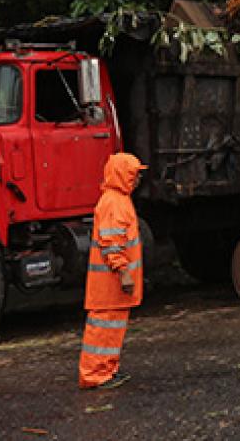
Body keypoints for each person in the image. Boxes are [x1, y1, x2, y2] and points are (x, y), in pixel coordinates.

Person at [79, 152, 147, 390]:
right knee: (103, 329)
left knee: (110, 331)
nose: (137, 179)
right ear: (122, 174)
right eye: (134, 174)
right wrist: (124, 273)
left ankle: (105, 371)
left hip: (112, 284)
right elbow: (112, 243)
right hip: (110, 283)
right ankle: (95, 375)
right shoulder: (114, 202)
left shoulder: (118, 199)